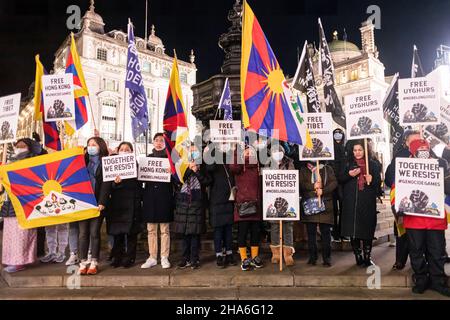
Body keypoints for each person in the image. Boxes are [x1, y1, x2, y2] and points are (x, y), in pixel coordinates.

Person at [400, 139, 450, 296]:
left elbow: (448, 188)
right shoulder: (404, 167)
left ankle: (438, 281)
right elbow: (397, 189)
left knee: (437, 252)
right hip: (414, 221)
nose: (423, 150)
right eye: (420, 148)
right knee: (416, 252)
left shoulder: (440, 165)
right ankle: (421, 280)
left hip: (435, 220)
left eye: (425, 148)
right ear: (413, 151)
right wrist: (400, 207)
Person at [1, 138, 41, 272]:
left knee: (22, 234)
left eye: (23, 146)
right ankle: (10, 259)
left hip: (25, 204)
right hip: (9, 204)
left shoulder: (32, 163)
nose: (19, 148)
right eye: (17, 146)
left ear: (29, 148)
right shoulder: (10, 162)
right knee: (10, 234)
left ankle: (21, 260)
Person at [340, 139, 381, 267]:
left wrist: (372, 180)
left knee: (367, 229)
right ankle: (358, 256)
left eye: (360, 150)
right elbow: (340, 178)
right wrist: (349, 174)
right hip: (351, 201)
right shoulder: (347, 163)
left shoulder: (373, 165)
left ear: (365, 150)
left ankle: (367, 257)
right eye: (355, 150)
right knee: (353, 229)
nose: (357, 153)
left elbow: (378, 187)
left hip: (367, 202)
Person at [385, 130, 421, 270]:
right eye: (413, 141)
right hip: (404, 201)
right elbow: (390, 179)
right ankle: (400, 260)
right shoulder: (400, 156)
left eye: (419, 140)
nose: (416, 144)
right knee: (403, 232)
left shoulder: (428, 155)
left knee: (419, 235)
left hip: (421, 201)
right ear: (406, 143)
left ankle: (418, 261)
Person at [174, 143, 211, 270]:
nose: (193, 153)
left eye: (195, 151)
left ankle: (194, 258)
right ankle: (184, 258)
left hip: (197, 202)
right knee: (185, 234)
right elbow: (179, 180)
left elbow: (207, 181)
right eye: (191, 151)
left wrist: (197, 171)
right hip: (184, 202)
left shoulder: (203, 166)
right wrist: (189, 169)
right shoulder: (182, 166)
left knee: (195, 234)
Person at [78, 137, 112, 275]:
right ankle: (82, 261)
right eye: (89, 144)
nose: (91, 147)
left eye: (94, 144)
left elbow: (106, 183)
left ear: (100, 146)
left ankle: (94, 261)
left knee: (94, 232)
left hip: (97, 202)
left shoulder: (106, 162)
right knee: (82, 234)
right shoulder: (81, 161)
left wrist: (102, 202)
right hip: (82, 202)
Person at [106, 142, 143, 268]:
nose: (124, 151)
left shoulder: (136, 165)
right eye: (122, 149)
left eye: (127, 149)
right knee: (118, 233)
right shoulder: (113, 164)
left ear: (132, 152)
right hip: (117, 203)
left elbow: (140, 182)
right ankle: (117, 256)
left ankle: (130, 258)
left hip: (132, 201)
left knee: (131, 233)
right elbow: (109, 184)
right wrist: (116, 183)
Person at [141, 133, 175, 269]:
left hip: (165, 197)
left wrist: (171, 172)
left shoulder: (170, 159)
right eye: (156, 140)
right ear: (153, 142)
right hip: (150, 197)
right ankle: (152, 256)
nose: (159, 143)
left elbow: (177, 180)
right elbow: (141, 178)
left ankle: (164, 256)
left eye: (161, 140)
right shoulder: (147, 159)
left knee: (165, 230)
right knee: (151, 229)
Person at [230, 145, 263, 271]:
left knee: (255, 233)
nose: (249, 153)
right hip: (243, 205)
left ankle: (254, 257)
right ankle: (244, 259)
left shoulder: (257, 167)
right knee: (242, 233)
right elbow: (233, 167)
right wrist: (235, 151)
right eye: (246, 152)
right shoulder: (239, 166)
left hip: (256, 205)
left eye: (251, 152)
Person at [299, 161, 337, 267]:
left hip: (325, 204)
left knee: (326, 233)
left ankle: (327, 258)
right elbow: (301, 184)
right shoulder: (304, 170)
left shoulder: (327, 168)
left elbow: (334, 183)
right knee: (311, 234)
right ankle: (312, 257)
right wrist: (313, 186)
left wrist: (323, 191)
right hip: (310, 205)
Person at [206, 142, 237, 268]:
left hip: (229, 199)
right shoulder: (213, 155)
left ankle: (229, 253)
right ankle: (219, 254)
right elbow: (210, 167)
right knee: (218, 230)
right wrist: (213, 150)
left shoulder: (231, 155)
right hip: (216, 199)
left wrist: (234, 150)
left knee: (229, 230)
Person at [268, 142, 296, 266]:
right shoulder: (268, 164)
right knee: (274, 226)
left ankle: (288, 254)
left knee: (288, 226)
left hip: (287, 198)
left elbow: (292, 178)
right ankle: (276, 253)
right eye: (274, 152)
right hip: (272, 198)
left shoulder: (289, 163)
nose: (277, 154)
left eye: (279, 151)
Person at [330, 128, 346, 242]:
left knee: (343, 208)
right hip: (332, 182)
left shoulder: (345, 149)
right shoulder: (330, 149)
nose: (338, 135)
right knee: (334, 209)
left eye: (340, 134)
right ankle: (335, 232)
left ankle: (342, 231)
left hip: (343, 182)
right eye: (336, 133)